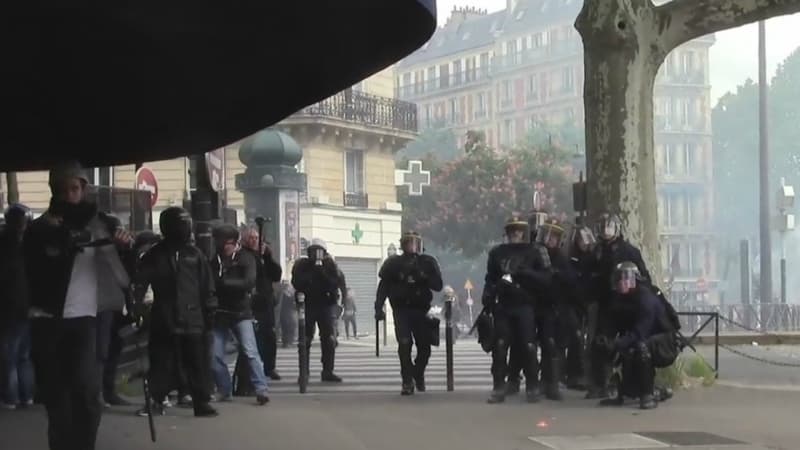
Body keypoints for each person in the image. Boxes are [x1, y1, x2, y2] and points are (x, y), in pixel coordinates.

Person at [24, 161, 133, 450]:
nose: (70, 196)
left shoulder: (100, 224)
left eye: (75, 189)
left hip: (86, 319)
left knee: (87, 395)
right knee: (58, 400)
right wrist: (64, 238)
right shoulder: (39, 229)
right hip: (49, 320)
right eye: (64, 190)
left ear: (84, 189)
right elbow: (36, 270)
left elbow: (122, 274)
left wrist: (123, 247)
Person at [133, 206, 218, 417]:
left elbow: (207, 286)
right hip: (165, 316)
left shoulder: (195, 255)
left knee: (196, 362)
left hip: (192, 316)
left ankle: (201, 401)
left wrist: (209, 312)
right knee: (161, 361)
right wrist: (137, 307)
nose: (185, 228)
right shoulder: (155, 254)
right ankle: (156, 400)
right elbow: (140, 282)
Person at [482, 218, 551, 404]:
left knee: (528, 346)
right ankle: (499, 386)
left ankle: (532, 386)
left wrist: (526, 272)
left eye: (519, 231)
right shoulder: (498, 253)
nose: (515, 234)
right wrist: (488, 293)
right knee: (500, 346)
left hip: (526, 304)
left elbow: (547, 279)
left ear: (525, 232)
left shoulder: (535, 251)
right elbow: (490, 277)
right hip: (504, 304)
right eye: (512, 230)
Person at [596, 262, 680, 409]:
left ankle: (647, 395)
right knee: (606, 345)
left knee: (641, 346)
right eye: (619, 279)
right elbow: (613, 324)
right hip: (638, 339)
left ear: (634, 279)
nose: (621, 282)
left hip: (664, 343)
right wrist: (606, 339)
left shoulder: (646, 299)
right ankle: (622, 389)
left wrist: (618, 343)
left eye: (625, 278)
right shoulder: (619, 299)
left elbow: (641, 332)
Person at [587, 213, 651, 400]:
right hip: (604, 304)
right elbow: (588, 275)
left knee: (630, 343)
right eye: (603, 226)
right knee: (600, 342)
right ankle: (600, 383)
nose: (606, 230)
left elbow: (643, 277)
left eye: (610, 226)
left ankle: (629, 382)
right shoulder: (596, 251)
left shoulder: (629, 251)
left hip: (627, 303)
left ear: (617, 228)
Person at [375, 231, 443, 395]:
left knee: (424, 347)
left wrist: (424, 276)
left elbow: (438, 285)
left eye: (415, 242)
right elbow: (383, 286)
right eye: (408, 242)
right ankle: (407, 380)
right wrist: (378, 307)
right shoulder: (393, 263)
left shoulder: (427, 261)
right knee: (404, 344)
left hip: (421, 309)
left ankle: (417, 373)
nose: (411, 245)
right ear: (403, 245)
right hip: (401, 309)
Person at [209, 224, 270, 405]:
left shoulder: (246, 258)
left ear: (233, 243)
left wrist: (222, 283)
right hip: (220, 313)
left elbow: (248, 282)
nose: (222, 247)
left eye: (225, 243)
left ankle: (261, 389)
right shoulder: (215, 260)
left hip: (241, 312)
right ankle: (224, 389)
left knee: (250, 351)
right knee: (214, 355)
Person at [291, 239, 346, 382]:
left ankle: (328, 370)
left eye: (320, 251)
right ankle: (304, 372)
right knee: (305, 339)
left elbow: (336, 282)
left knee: (328, 339)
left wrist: (322, 271)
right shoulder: (302, 265)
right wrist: (312, 273)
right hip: (308, 305)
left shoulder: (330, 265)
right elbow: (297, 282)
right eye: (314, 251)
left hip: (325, 305)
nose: (317, 254)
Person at [94, 213, 134, 408]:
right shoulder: (100, 250)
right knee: (101, 350)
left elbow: (129, 275)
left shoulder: (121, 250)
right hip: (101, 306)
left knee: (114, 349)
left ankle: (109, 391)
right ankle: (99, 393)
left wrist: (126, 250)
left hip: (117, 305)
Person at [0, 204, 34, 410]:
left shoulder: (5, 245)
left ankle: (11, 397)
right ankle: (27, 395)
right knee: (24, 356)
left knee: (8, 356)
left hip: (9, 309)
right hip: (27, 307)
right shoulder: (29, 244)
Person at [240, 227, 283, 380]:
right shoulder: (243, 256)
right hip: (251, 303)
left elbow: (276, 275)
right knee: (253, 339)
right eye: (251, 237)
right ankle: (253, 372)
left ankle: (269, 367)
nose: (254, 240)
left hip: (266, 302)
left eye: (256, 238)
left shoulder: (264, 257)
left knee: (269, 335)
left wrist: (268, 257)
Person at [278, 281, 296, 347]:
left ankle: (287, 342)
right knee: (288, 327)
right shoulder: (285, 294)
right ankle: (287, 342)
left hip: (286, 312)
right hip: (286, 313)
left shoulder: (284, 294)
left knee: (287, 327)